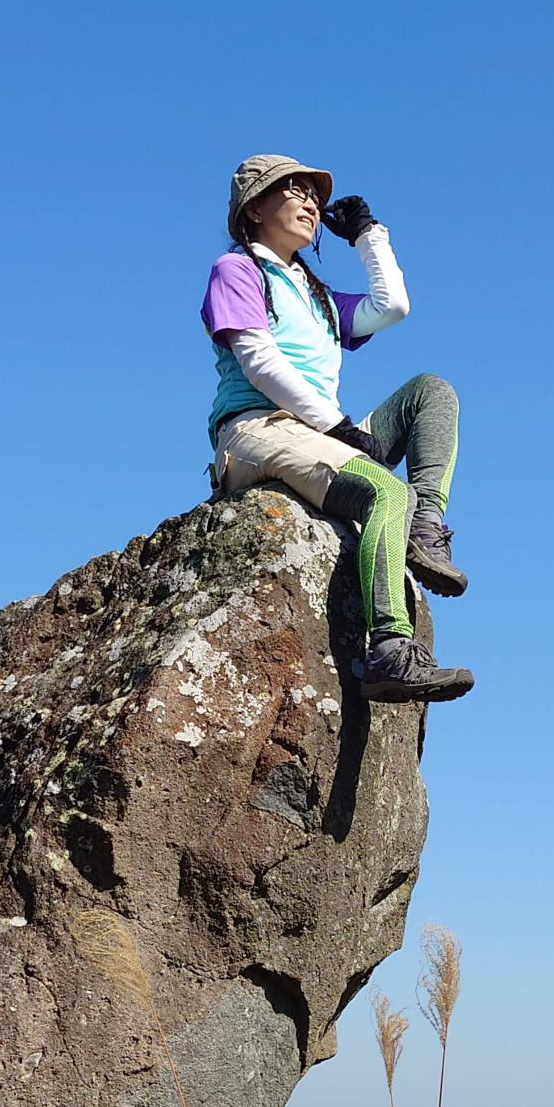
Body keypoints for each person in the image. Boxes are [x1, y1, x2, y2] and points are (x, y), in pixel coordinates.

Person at [202, 153, 474, 704]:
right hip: (257, 427)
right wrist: (337, 425)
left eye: (314, 195)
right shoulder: (238, 269)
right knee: (387, 492)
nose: (310, 203)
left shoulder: (316, 294)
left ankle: (425, 529)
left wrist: (369, 236)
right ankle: (390, 650)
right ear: (254, 210)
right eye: (294, 191)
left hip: (318, 432)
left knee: (431, 392)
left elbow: (391, 306)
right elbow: (258, 362)